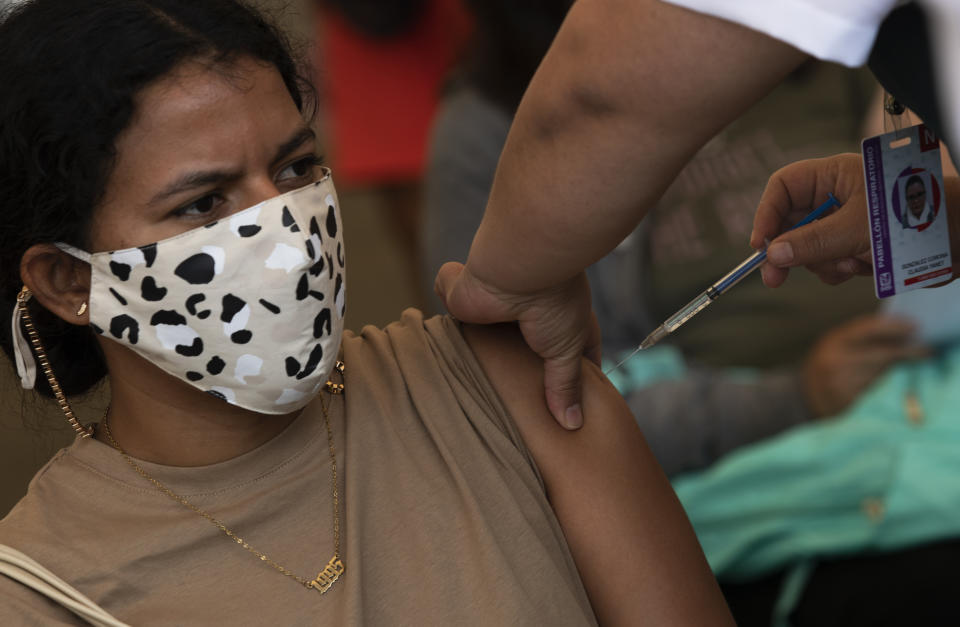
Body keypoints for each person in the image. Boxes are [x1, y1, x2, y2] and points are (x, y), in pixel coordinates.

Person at [0, 1, 732, 624]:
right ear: (69, 279)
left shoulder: (499, 383)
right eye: (203, 203)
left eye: (294, 168)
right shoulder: (41, 588)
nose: (287, 232)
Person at [433, 0, 960, 430]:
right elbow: (546, 404)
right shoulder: (488, 131)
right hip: (779, 451)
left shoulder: (819, 48)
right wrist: (793, 399)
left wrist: (935, 218)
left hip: (927, 382)